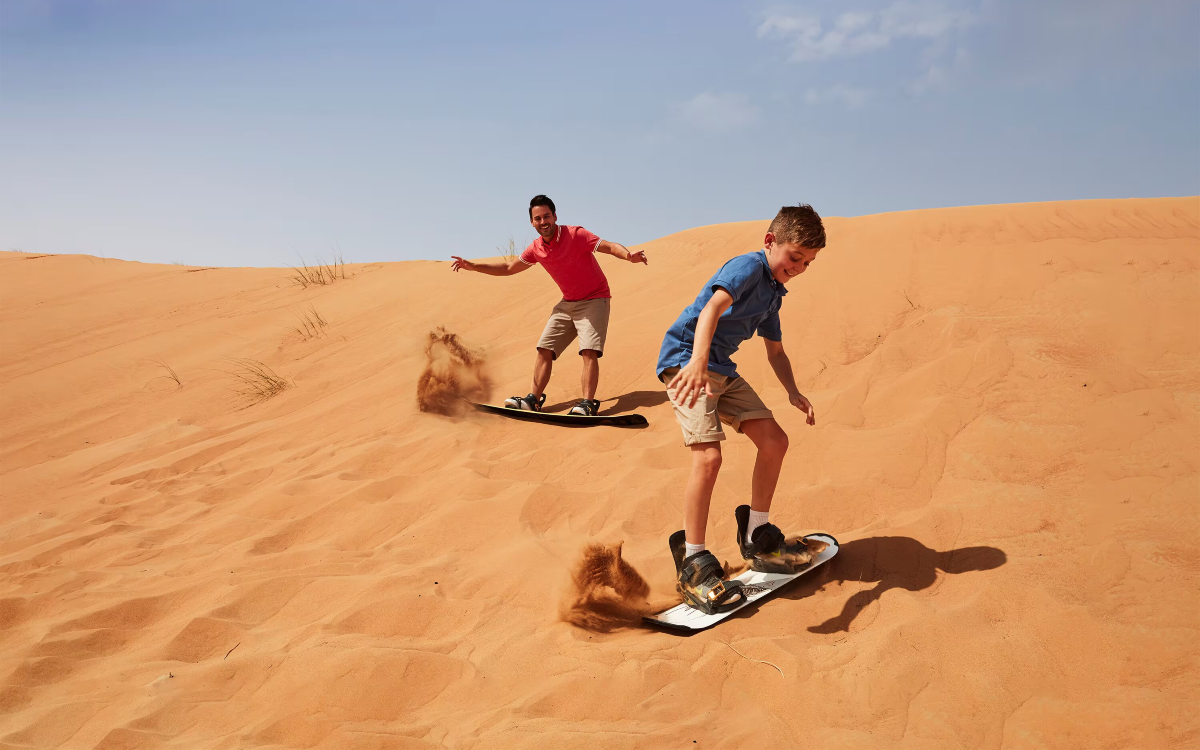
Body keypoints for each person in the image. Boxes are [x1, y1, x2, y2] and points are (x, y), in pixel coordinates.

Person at [655, 204, 826, 614]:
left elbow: (776, 352)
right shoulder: (748, 267)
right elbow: (712, 309)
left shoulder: (773, 295)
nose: (800, 267)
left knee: (775, 441)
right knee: (709, 457)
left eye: (808, 262)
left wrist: (792, 391)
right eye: (794, 257)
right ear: (771, 242)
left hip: (720, 371)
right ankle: (694, 561)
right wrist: (696, 361)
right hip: (685, 362)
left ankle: (756, 532)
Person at [451, 195, 647, 416]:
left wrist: (628, 255)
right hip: (568, 302)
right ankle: (533, 399)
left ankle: (587, 403)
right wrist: (473, 266)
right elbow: (508, 268)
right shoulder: (536, 248)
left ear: (555, 216)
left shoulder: (576, 234)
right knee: (545, 349)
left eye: (546, 216)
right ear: (532, 223)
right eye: (538, 218)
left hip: (594, 299)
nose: (543, 222)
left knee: (588, 351)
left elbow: (609, 246)